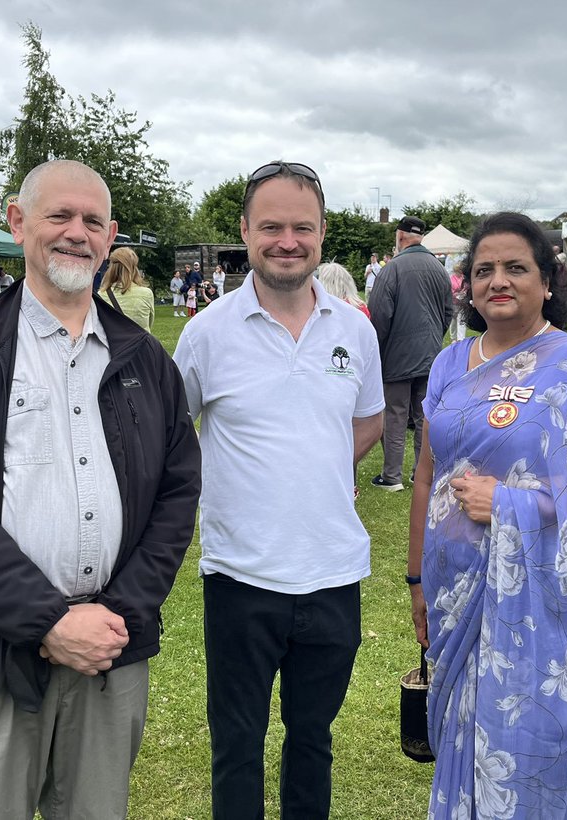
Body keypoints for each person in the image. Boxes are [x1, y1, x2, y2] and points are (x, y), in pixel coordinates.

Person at [0, 159, 201, 818]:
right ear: (18, 222)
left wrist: (118, 614)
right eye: (59, 215)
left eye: (93, 221)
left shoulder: (145, 359)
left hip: (109, 655)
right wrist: (48, 621)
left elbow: (177, 493)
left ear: (110, 237)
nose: (76, 232)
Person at [407, 211, 567, 819]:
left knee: (532, 739)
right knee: (461, 735)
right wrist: (416, 578)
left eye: (516, 267)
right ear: (467, 285)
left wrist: (513, 505)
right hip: (453, 588)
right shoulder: (449, 363)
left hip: (538, 602)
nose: (498, 281)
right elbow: (427, 475)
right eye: (483, 270)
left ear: (546, 281)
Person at [173, 160, 384, 819]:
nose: (287, 242)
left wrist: (318, 467)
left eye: (302, 227)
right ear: (245, 232)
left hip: (333, 572)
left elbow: (370, 418)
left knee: (313, 739)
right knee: (237, 743)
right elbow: (174, 435)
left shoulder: (355, 329)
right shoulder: (206, 333)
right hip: (241, 575)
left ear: (322, 233)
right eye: (271, 227)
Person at [368, 216, 452, 491]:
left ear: (400, 236)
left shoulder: (392, 269)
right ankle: (421, 471)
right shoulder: (439, 268)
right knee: (423, 415)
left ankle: (392, 475)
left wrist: (379, 351)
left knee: (395, 414)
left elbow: (379, 315)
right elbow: (448, 311)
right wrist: (433, 338)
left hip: (397, 356)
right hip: (430, 355)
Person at [101, 246, 155, 332]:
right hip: (140, 339)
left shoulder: (101, 295)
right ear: (134, 268)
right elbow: (149, 323)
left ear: (111, 268)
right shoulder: (146, 293)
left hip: (114, 340)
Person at [448, 261, 467, 340]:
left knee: (461, 321)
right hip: (453, 303)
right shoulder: (451, 279)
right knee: (453, 321)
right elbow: (449, 292)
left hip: (462, 303)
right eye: (458, 271)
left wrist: (465, 292)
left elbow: (467, 287)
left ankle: (461, 338)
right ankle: (453, 338)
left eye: (461, 271)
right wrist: (456, 294)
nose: (460, 273)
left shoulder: (464, 278)